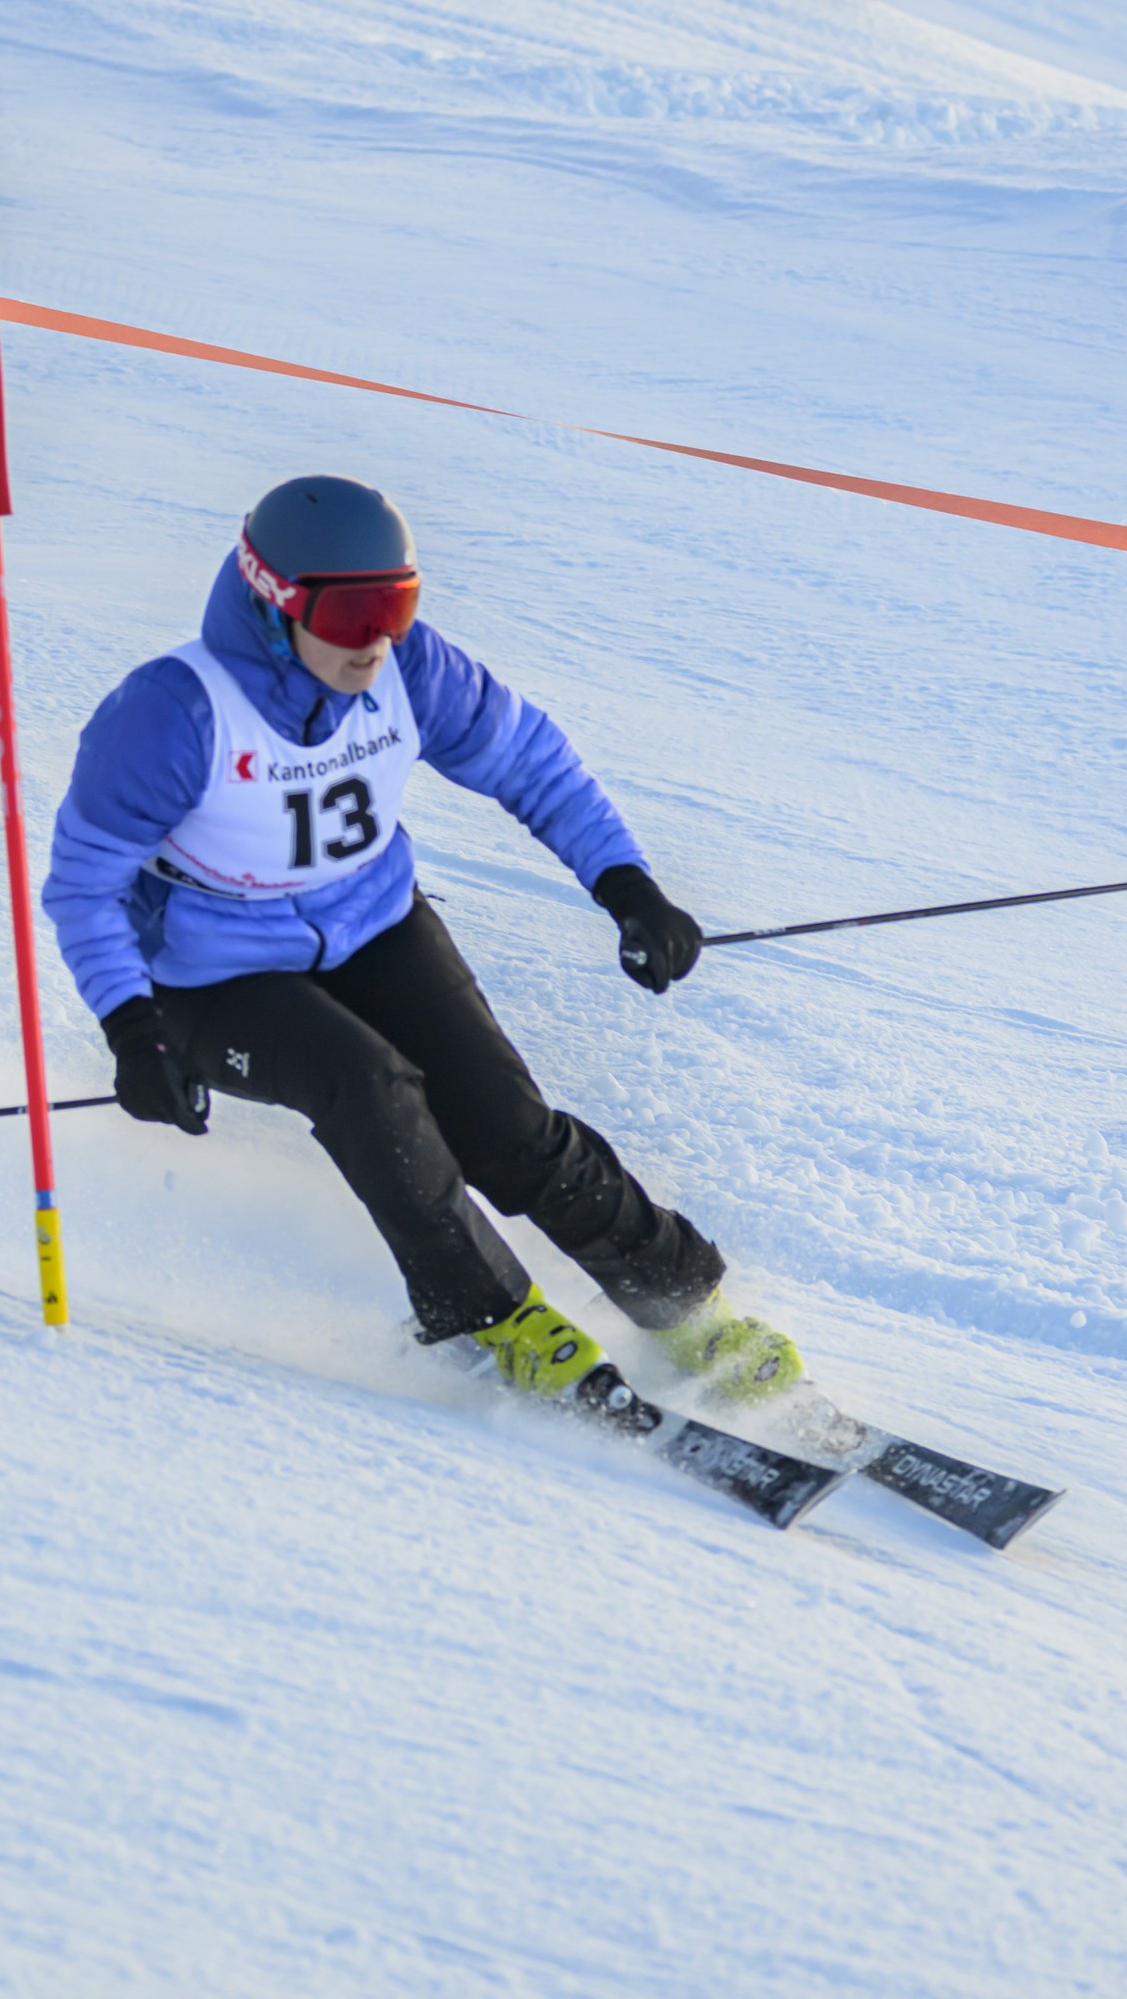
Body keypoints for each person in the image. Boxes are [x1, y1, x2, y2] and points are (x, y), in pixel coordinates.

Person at [42, 473, 803, 1409]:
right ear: (275, 602)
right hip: (211, 979)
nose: (377, 639)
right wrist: (131, 1029)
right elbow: (84, 887)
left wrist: (626, 885)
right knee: (370, 1086)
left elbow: (528, 759)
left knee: (508, 1130)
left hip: (375, 927)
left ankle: (684, 1305)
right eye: (352, 613)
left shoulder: (410, 670)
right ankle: (489, 1321)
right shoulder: (171, 716)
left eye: (396, 606)